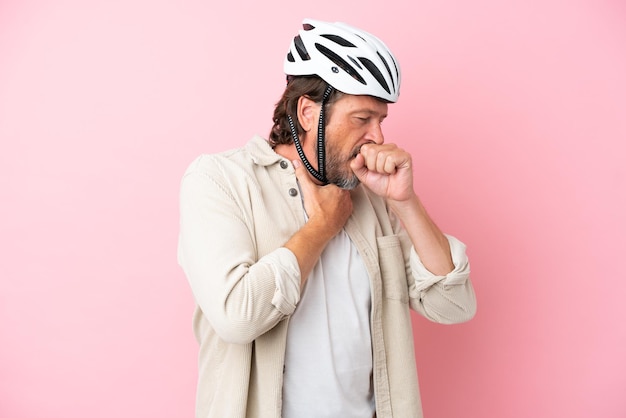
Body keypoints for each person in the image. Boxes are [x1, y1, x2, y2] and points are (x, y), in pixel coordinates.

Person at [178, 18, 476, 418]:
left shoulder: (372, 197)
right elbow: (237, 315)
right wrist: (322, 225)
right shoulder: (221, 181)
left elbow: (453, 305)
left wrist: (405, 202)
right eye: (362, 119)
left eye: (380, 121)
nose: (377, 136)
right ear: (307, 112)